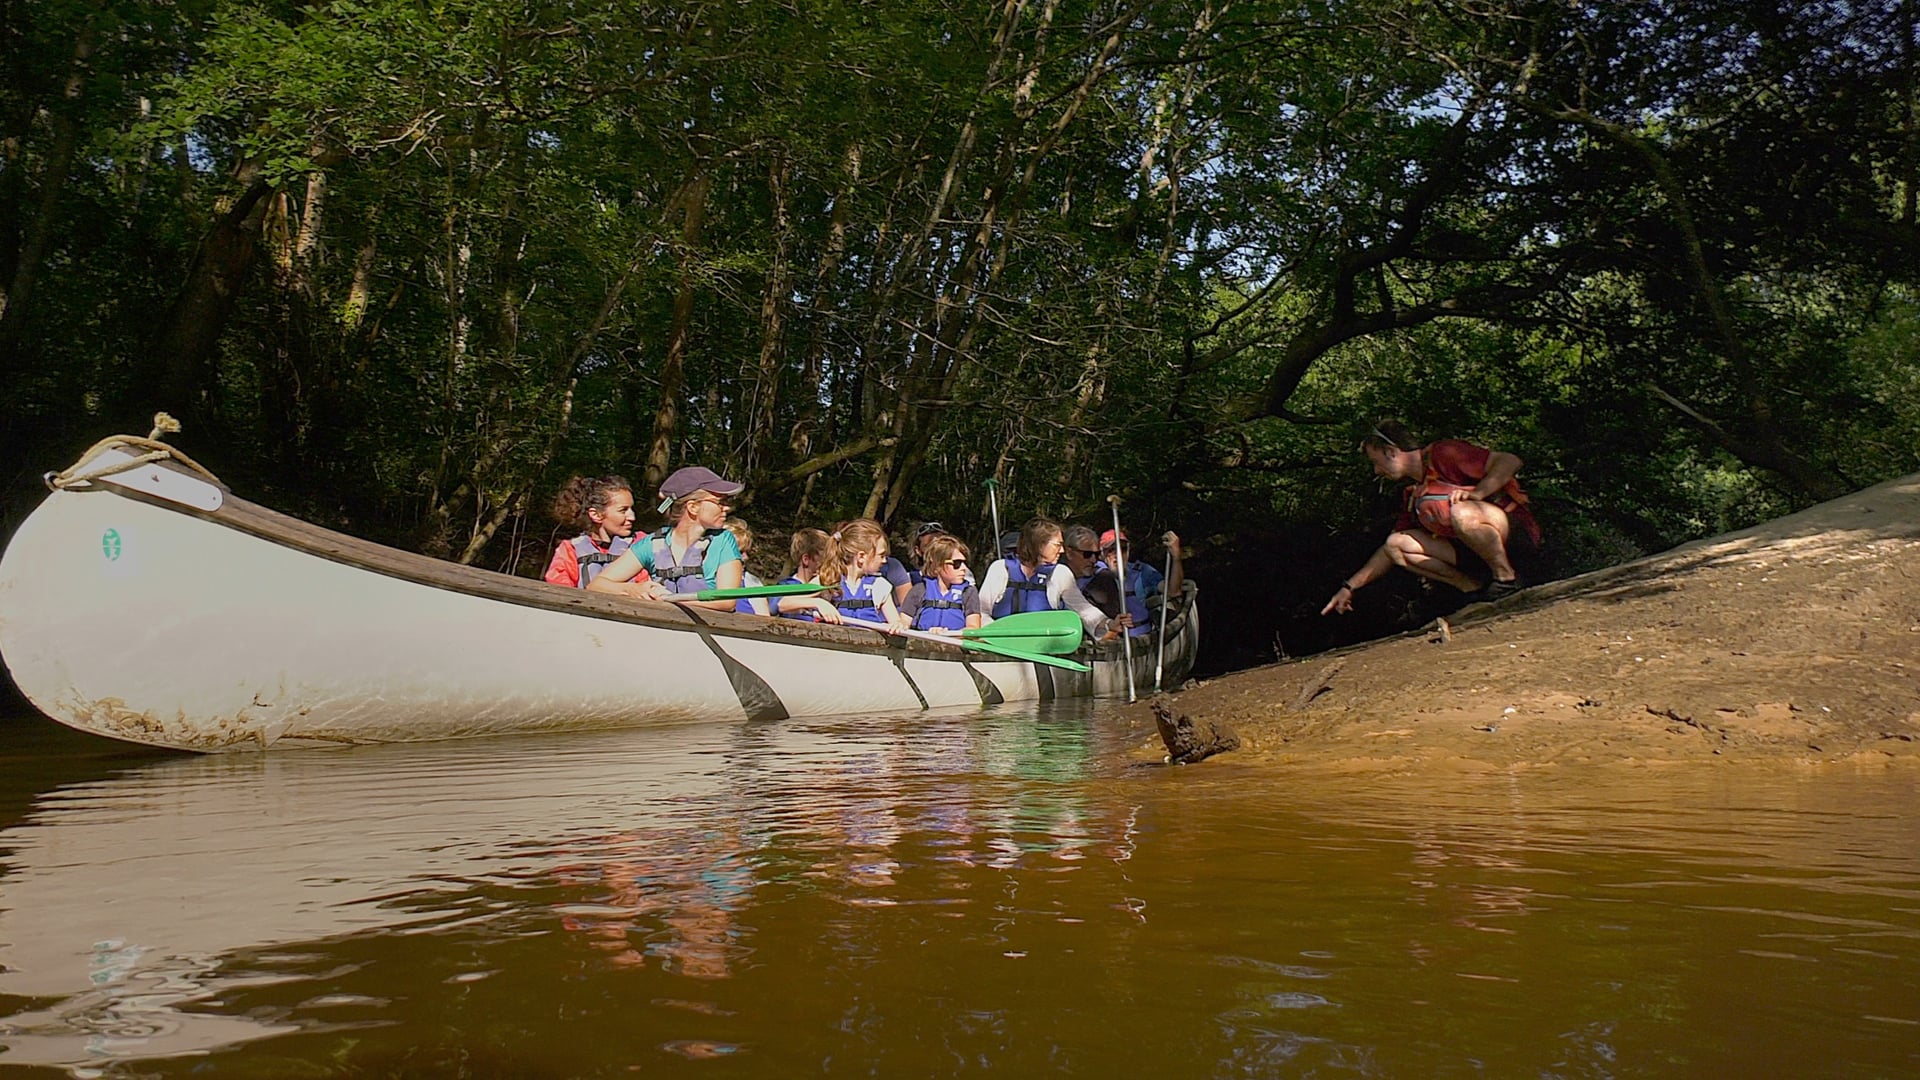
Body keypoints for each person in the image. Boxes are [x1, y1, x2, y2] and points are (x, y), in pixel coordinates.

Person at [1322, 420, 1540, 616]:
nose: (1377, 471)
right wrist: (1349, 587)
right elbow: (1387, 553)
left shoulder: (1444, 453)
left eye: (1376, 461)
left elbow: (1510, 461)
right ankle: (1473, 590)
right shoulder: (1413, 494)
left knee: (1462, 512)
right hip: (1475, 552)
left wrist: (1478, 493)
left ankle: (1506, 579)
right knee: (1396, 545)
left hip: (1513, 534)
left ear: (1391, 452)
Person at [587, 466, 746, 611]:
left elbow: (727, 602)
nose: (727, 508)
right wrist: (632, 589)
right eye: (720, 502)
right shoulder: (651, 544)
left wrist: (667, 601)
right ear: (693, 507)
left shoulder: (724, 541)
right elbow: (597, 585)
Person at [976, 517, 1126, 638]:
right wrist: (996, 634)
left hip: (1044, 646)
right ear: (1040, 545)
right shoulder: (1001, 569)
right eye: (1057, 545)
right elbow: (981, 611)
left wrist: (1109, 624)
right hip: (1002, 645)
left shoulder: (1060, 573)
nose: (1061, 551)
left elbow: (1083, 610)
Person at [543, 475, 647, 589]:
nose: (632, 517)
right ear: (596, 515)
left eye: (632, 509)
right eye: (623, 510)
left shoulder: (642, 545)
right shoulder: (571, 550)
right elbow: (559, 591)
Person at [823, 519, 908, 630]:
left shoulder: (880, 586)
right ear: (861, 557)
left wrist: (897, 625)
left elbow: (896, 622)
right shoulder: (829, 580)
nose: (884, 561)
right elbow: (792, 602)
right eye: (881, 555)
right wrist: (818, 603)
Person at [1098, 528, 1184, 638]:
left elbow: (1173, 591)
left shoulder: (1142, 571)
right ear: (1101, 554)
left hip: (1141, 638)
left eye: (1122, 549)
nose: (1117, 554)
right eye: (1110, 550)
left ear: (1128, 551)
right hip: (1109, 640)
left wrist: (1176, 557)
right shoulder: (1095, 574)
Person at [900, 535, 985, 633]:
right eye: (957, 563)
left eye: (965, 563)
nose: (964, 568)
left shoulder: (969, 592)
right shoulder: (920, 590)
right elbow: (904, 622)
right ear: (937, 565)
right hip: (922, 642)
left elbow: (973, 628)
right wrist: (900, 625)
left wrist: (948, 634)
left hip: (954, 644)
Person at [775, 528, 840, 622]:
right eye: (824, 561)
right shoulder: (787, 586)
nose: (828, 566)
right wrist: (817, 602)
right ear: (806, 559)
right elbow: (777, 605)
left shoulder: (829, 588)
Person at [725, 518, 770, 616]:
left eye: (746, 552)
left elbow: (765, 621)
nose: (746, 557)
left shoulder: (752, 582)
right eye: (740, 552)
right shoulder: (700, 579)